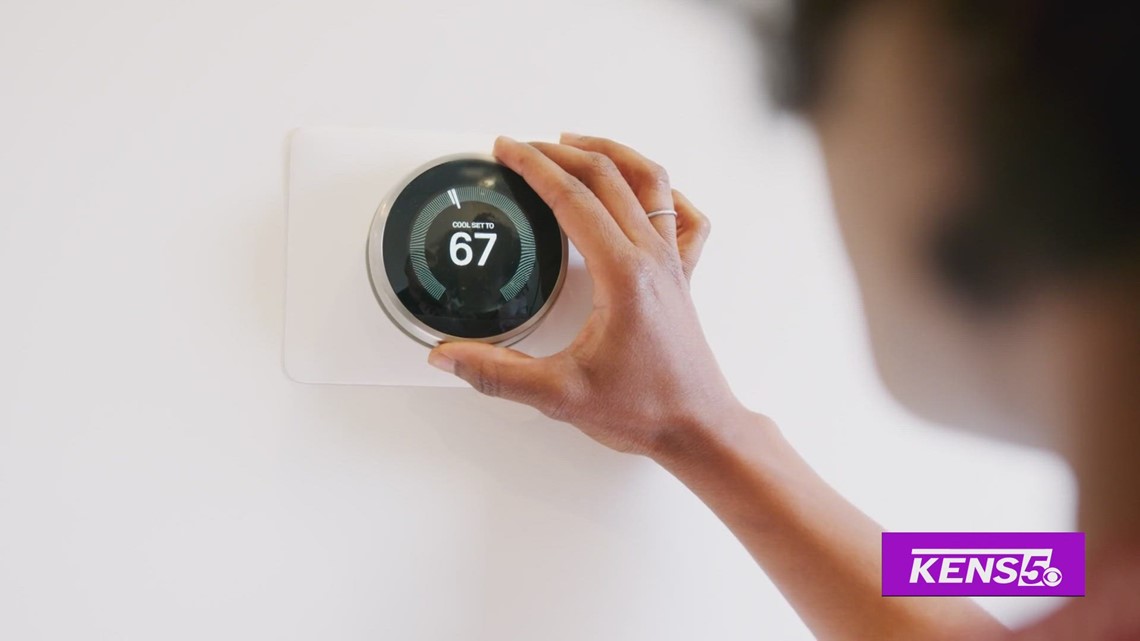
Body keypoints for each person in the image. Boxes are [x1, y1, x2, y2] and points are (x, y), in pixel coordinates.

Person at [425, 1, 1139, 638]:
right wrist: (703, 430)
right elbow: (1043, 568)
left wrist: (702, 431)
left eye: (808, 77)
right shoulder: (1077, 568)